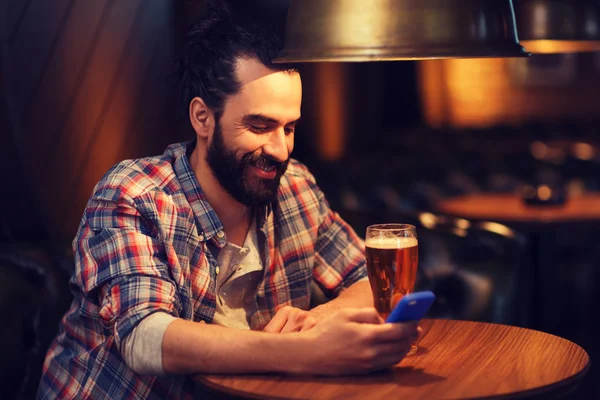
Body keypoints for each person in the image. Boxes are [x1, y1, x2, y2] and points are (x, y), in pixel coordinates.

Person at [37, 5, 420, 399]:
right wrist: (303, 352)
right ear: (203, 118)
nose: (280, 149)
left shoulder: (296, 188)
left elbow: (368, 281)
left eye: (289, 128)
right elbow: (143, 336)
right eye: (259, 125)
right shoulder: (133, 194)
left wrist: (317, 321)